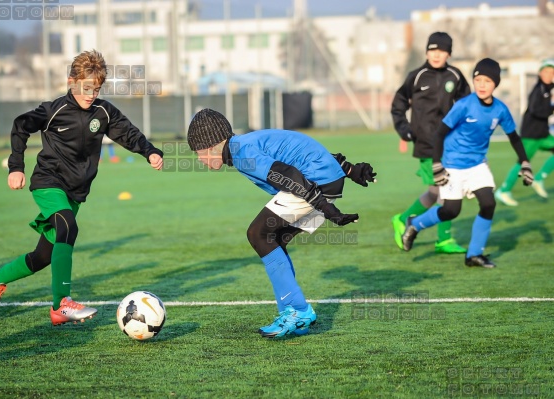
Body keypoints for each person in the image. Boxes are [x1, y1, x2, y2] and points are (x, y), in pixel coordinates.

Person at [0, 50, 164, 325]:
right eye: (86, 87)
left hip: (76, 192)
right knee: (68, 226)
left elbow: (128, 133)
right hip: (48, 182)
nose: (91, 94)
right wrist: (16, 166)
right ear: (72, 81)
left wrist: (149, 151)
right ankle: (61, 305)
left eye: (97, 88)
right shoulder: (54, 110)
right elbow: (21, 125)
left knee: (43, 256)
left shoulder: (103, 112)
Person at [186, 108, 376, 338]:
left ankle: (298, 310)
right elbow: (299, 149)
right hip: (322, 180)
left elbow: (285, 173)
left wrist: (325, 207)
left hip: (313, 183)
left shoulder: (241, 152)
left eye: (198, 153)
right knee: (274, 240)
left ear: (211, 145)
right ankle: (291, 312)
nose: (199, 159)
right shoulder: (242, 145)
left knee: (258, 234)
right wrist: (350, 170)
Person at [401, 58, 534, 268]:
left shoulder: (500, 109)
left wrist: (525, 163)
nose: (481, 85)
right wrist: (437, 165)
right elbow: (439, 134)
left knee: (489, 203)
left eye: (487, 81)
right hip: (452, 164)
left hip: (478, 165)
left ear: (496, 84)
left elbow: (514, 138)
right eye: (478, 79)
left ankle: (473, 255)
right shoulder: (464, 105)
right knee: (451, 211)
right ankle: (414, 224)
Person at [391, 32, 471, 254]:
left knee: (439, 192)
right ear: (427, 52)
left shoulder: (456, 76)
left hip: (451, 144)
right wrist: (405, 130)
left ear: (449, 53)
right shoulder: (416, 76)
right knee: (442, 191)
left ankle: (413, 224)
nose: (437, 55)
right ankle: (417, 225)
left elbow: (467, 106)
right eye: (433, 50)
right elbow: (398, 105)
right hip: (426, 144)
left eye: (442, 51)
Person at [495, 59, 554, 205]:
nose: (549, 74)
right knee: (522, 163)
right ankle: (503, 190)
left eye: (552, 72)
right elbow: (535, 110)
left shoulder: (548, 88)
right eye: (546, 71)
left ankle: (539, 179)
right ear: (540, 73)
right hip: (531, 135)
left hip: (542, 135)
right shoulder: (538, 89)